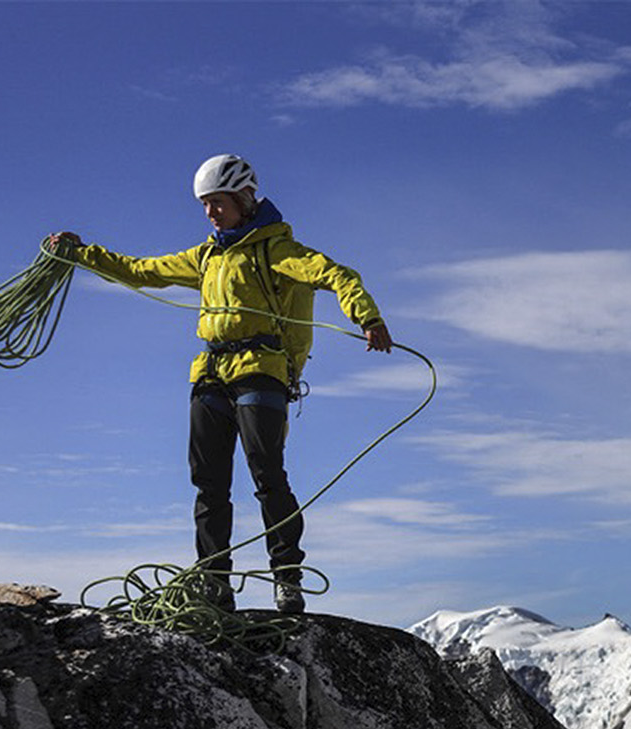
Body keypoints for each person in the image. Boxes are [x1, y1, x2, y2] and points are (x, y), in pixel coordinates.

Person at [49, 154, 392, 613]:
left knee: (267, 473)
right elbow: (140, 270)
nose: (211, 212)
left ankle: (286, 579)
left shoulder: (278, 250)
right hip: (210, 375)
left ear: (245, 198)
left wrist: (368, 318)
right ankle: (215, 583)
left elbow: (336, 275)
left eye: (219, 202)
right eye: (205, 204)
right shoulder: (206, 257)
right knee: (208, 483)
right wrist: (81, 253)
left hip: (262, 371)